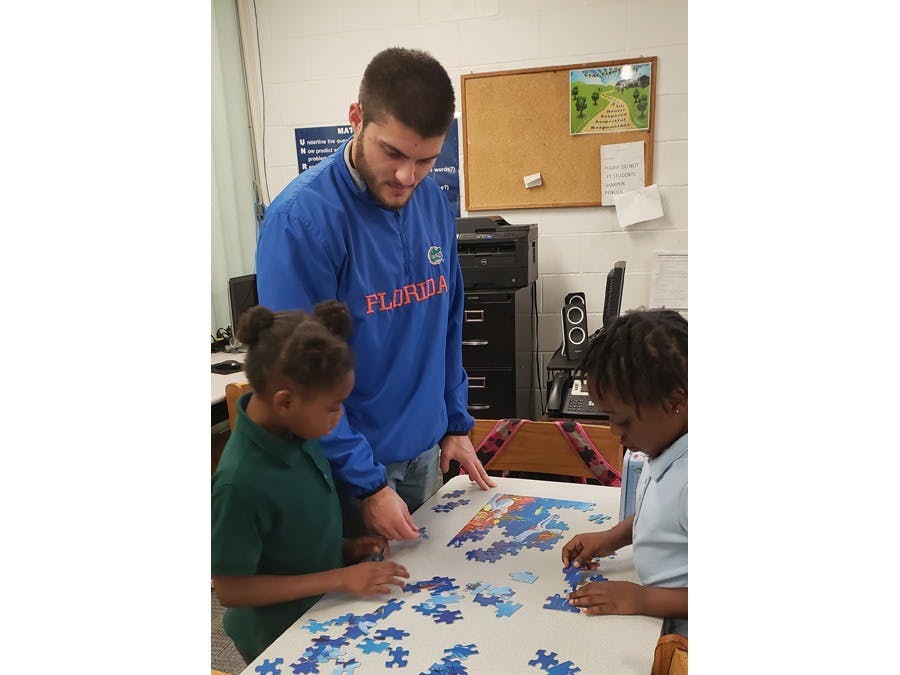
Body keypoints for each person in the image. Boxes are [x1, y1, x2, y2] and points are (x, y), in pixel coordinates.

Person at [255, 46, 495, 542]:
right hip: (343, 472)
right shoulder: (300, 221)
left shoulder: (432, 202)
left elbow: (447, 320)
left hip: (426, 453)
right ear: (356, 119)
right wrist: (366, 484)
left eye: (426, 160)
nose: (407, 176)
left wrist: (455, 422)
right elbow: (298, 373)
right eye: (393, 153)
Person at [211, 302, 410, 664]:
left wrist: (345, 548)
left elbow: (290, 530)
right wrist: (340, 578)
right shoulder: (238, 483)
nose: (340, 417)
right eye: (333, 407)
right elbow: (230, 589)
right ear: (285, 402)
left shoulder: (297, 431)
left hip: (324, 610)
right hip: (277, 639)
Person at [561, 309, 688, 637]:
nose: (615, 432)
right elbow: (661, 515)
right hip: (652, 622)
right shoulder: (664, 447)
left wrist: (642, 599)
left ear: (674, 402)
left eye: (623, 420)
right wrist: (611, 538)